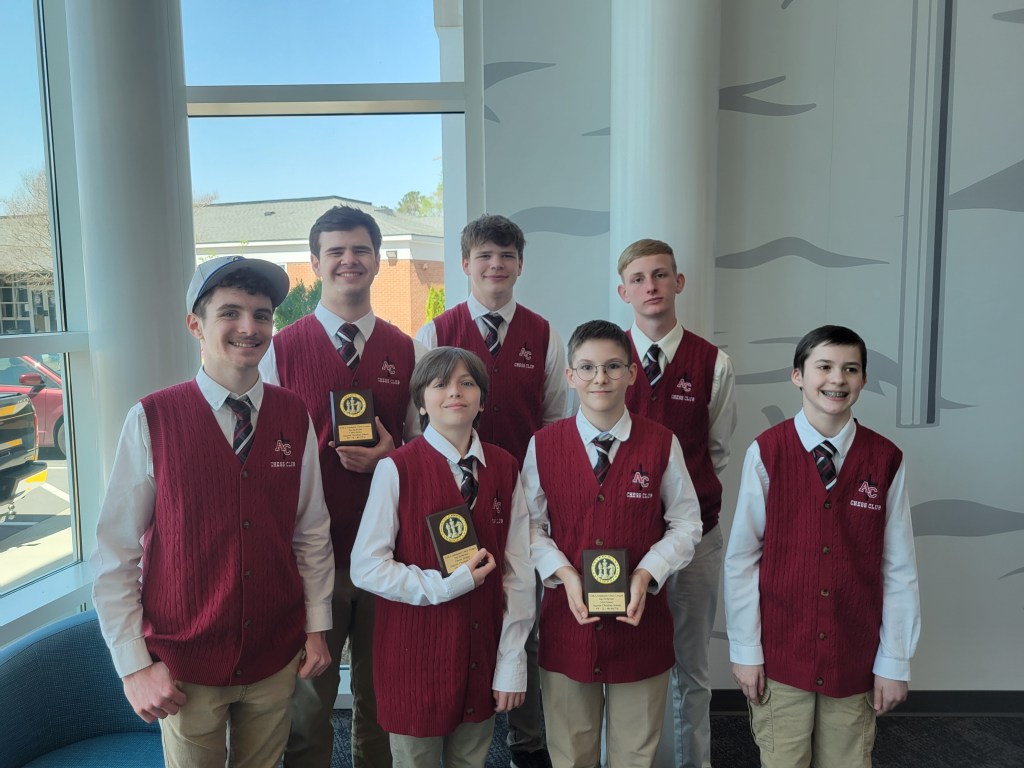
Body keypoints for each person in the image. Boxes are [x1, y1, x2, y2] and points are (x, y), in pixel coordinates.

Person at [91, 255, 335, 768]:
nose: (249, 327)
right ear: (195, 325)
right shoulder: (152, 419)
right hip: (185, 667)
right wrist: (133, 666)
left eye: (262, 315)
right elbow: (116, 553)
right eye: (230, 313)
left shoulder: (293, 414)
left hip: (275, 655)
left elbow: (310, 530)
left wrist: (316, 627)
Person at [261, 205, 425, 768]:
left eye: (360, 250)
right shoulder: (278, 351)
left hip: (387, 552)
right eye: (335, 251)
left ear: (378, 260)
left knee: (382, 700)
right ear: (315, 263)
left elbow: (424, 453)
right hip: (313, 558)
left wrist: (392, 458)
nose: (348, 260)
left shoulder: (407, 350)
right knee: (308, 702)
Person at [724, 325, 921, 768]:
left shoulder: (885, 459)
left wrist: (894, 661)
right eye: (824, 367)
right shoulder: (767, 452)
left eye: (850, 369)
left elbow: (899, 567)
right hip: (782, 656)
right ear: (798, 376)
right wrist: (746, 651)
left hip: (853, 658)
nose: (837, 379)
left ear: (864, 380)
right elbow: (742, 560)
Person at [417, 213, 566, 768]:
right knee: (457, 609)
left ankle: (529, 741)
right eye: (484, 255)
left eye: (506, 256)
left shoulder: (545, 334)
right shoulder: (434, 333)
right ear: (465, 264)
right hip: (448, 499)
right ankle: (453, 724)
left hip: (520, 496)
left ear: (520, 265)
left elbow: (553, 423)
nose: (495, 265)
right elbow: (419, 421)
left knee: (524, 611)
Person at [523, 320, 703, 768]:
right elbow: (529, 527)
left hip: (641, 629)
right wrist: (565, 574)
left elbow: (686, 524)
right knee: (571, 754)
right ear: (570, 376)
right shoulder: (543, 445)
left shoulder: (661, 443)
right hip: (568, 627)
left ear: (632, 373)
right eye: (587, 367)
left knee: (635, 755)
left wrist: (646, 573)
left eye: (612, 366)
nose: (599, 378)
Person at [351, 346, 535, 767]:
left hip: (481, 656)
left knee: (471, 760)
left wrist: (512, 661)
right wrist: (447, 585)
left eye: (467, 383)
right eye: (440, 384)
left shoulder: (505, 468)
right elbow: (367, 567)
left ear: (482, 400)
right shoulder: (396, 468)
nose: (455, 392)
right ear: (421, 402)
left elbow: (519, 572)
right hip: (413, 660)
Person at [616, 238, 737, 768]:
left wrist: (684, 511)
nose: (651, 287)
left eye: (661, 275)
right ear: (623, 291)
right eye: (638, 278)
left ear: (678, 282)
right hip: (621, 542)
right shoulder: (604, 359)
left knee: (692, 667)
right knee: (619, 663)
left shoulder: (714, 363)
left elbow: (716, 450)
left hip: (695, 538)